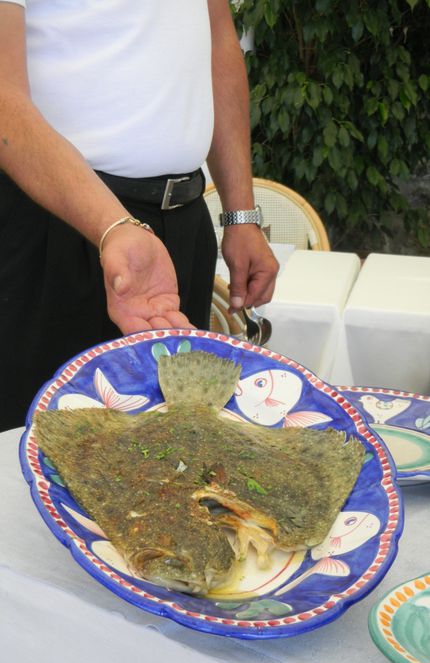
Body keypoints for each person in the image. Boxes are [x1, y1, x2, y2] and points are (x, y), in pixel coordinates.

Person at [0, 0, 278, 431]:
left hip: (182, 224)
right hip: (58, 228)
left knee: (173, 448)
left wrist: (240, 214)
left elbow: (218, 43)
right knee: (37, 449)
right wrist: (112, 226)